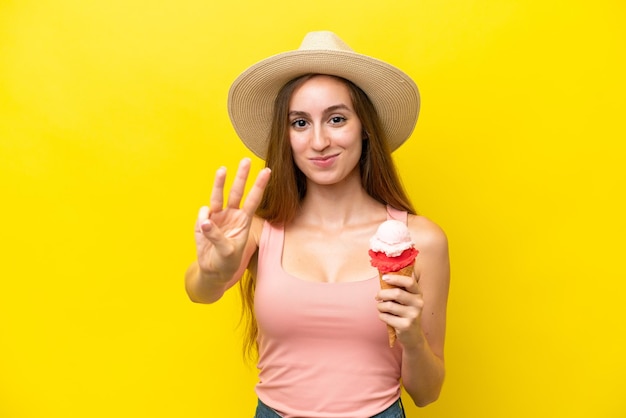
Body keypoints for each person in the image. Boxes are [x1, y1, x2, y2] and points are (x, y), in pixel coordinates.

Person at [185, 31, 450, 418]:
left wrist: (411, 339)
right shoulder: (259, 231)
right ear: (286, 136)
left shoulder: (422, 240)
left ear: (365, 128)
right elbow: (199, 292)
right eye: (300, 123)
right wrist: (212, 272)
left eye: (337, 119)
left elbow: (427, 394)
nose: (320, 141)